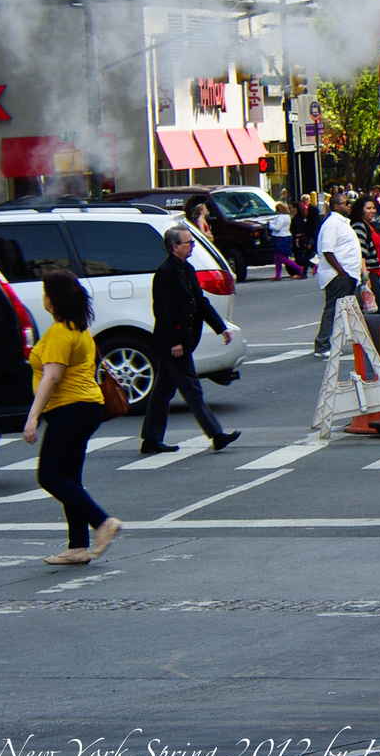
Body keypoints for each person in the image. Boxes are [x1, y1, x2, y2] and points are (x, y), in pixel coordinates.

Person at [24, 269, 121, 565]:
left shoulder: (59, 334)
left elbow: (51, 378)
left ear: (53, 298)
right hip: (85, 407)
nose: (43, 297)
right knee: (69, 478)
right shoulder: (79, 329)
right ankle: (78, 546)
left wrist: (32, 418)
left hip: (70, 409)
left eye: (45, 292)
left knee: (50, 477)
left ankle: (102, 522)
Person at [140, 223, 241, 454]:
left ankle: (150, 440)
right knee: (192, 390)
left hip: (184, 340)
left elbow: (200, 303)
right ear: (175, 246)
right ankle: (216, 435)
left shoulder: (187, 268)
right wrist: (173, 342)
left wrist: (221, 327)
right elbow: (162, 312)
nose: (192, 246)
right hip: (174, 344)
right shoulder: (165, 273)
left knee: (162, 393)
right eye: (188, 243)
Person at [312, 192, 365, 357]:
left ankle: (359, 341)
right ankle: (322, 345)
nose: (349, 205)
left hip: (349, 273)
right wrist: (341, 272)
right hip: (338, 274)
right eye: (345, 203)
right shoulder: (332, 223)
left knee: (354, 309)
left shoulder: (342, 222)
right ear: (336, 206)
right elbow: (327, 250)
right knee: (333, 309)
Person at [350, 194, 380, 314]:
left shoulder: (371, 226)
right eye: (368, 208)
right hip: (369, 271)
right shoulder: (359, 226)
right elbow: (360, 253)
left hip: (375, 271)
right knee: (379, 307)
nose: (372, 211)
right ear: (361, 210)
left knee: (377, 307)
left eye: (373, 208)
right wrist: (365, 277)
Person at [269, 202, 304, 280]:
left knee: (281, 257)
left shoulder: (280, 217)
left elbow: (277, 227)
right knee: (277, 257)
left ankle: (298, 268)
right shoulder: (287, 217)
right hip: (286, 236)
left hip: (280, 237)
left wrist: (269, 225)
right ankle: (277, 275)